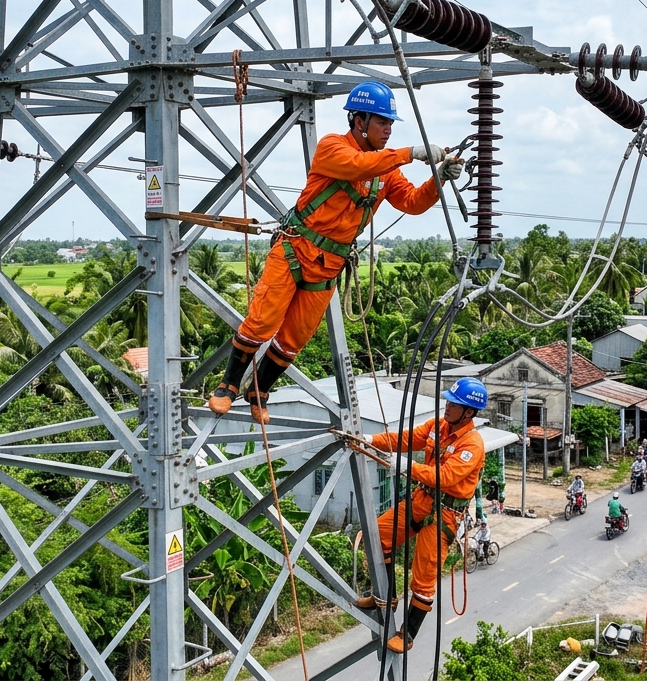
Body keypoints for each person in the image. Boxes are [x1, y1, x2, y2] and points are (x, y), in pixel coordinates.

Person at [207, 81, 463, 425]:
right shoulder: (332, 147)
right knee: (262, 322)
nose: (388, 130)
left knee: (295, 337)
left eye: (390, 123)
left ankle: (259, 391)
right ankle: (228, 385)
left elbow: (412, 202)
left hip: (329, 264)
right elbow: (357, 165)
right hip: (295, 249)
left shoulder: (386, 170)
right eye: (382, 122)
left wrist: (438, 179)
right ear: (359, 121)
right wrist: (411, 152)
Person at [350, 377, 487, 653]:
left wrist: (408, 467)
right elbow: (405, 439)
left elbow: (445, 477)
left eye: (454, 404)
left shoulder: (472, 445)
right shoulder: (439, 426)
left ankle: (408, 633)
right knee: (378, 535)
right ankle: (386, 597)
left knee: (423, 576)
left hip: (445, 515)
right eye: (448, 401)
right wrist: (371, 441)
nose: (447, 406)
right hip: (422, 500)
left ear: (469, 412)